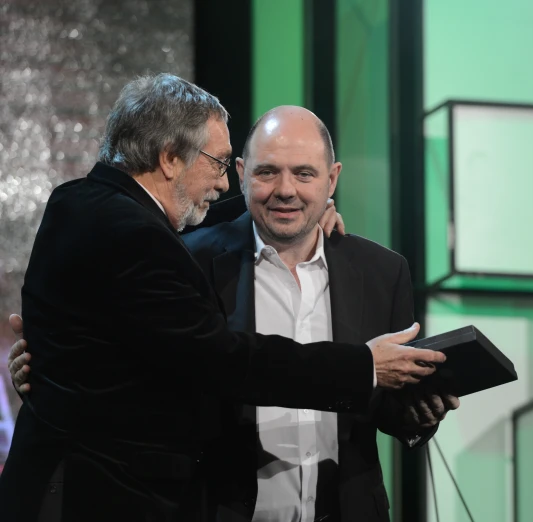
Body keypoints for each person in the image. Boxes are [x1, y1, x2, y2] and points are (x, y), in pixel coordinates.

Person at [0, 74, 446, 522]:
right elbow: (226, 361)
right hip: (99, 495)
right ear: (171, 158)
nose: (223, 185)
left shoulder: (75, 201)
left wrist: (300, 208)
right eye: (221, 165)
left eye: (305, 175)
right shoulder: (153, 245)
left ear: (331, 180)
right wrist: (365, 366)